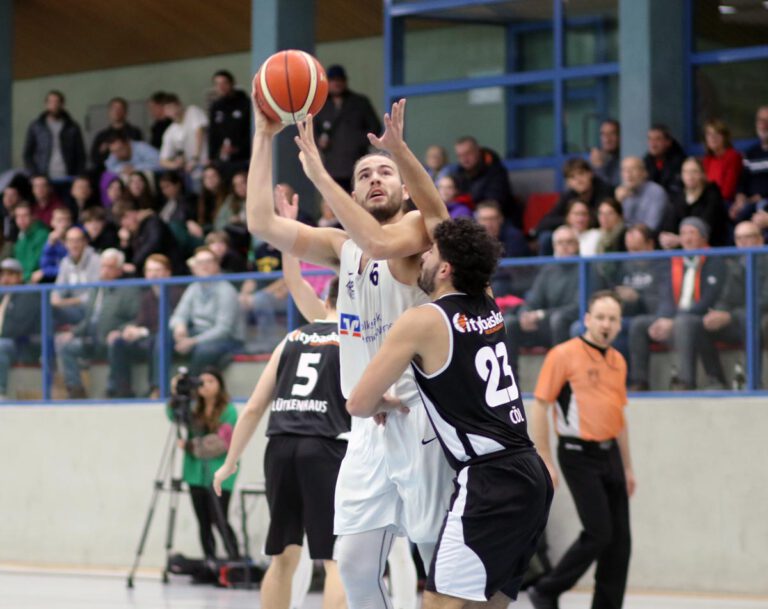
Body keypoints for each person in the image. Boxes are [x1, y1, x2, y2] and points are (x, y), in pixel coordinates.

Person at [247, 97, 452, 609]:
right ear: (355, 190)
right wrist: (263, 136)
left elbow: (381, 242)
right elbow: (261, 223)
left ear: (406, 188)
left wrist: (320, 174)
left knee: (436, 561)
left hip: (419, 419)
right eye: (365, 174)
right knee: (356, 568)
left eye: (386, 171)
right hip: (364, 429)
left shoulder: (413, 233)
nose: (376, 179)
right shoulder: (342, 247)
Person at [346, 218, 553, 608]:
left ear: (445, 269)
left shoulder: (423, 319)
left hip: (490, 479)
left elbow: (357, 403)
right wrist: (401, 153)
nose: (423, 255)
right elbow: (444, 221)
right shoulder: (488, 303)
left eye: (431, 252)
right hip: (531, 474)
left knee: (439, 602)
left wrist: (383, 402)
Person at [214, 265, 349, 609]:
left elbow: (254, 407)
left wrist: (230, 462)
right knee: (335, 558)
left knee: (282, 556)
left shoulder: (291, 339)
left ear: (325, 300)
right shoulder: (352, 341)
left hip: (279, 448)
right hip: (325, 447)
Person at [528, 290, 636, 609]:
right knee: (599, 532)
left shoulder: (618, 360)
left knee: (621, 543)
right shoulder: (563, 355)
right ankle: (546, 589)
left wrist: (628, 467)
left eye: (612, 319)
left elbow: (620, 418)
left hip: (610, 455)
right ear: (587, 320)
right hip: (577, 455)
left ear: (619, 325)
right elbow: (540, 406)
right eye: (600, 317)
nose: (606, 324)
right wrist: (545, 459)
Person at [628, 218, 726, 390]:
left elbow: (709, 299)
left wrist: (674, 320)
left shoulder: (715, 261)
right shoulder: (673, 261)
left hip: (699, 317)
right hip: (674, 317)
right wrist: (663, 318)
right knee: (639, 324)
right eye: (683, 234)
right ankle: (639, 381)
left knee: (684, 323)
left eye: (692, 233)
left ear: (703, 238)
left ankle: (685, 380)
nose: (687, 238)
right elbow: (665, 295)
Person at [170, 367, 240, 564]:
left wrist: (191, 445)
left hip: (220, 472)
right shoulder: (193, 409)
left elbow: (220, 443)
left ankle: (234, 559)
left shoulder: (229, 411)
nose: (205, 386)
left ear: (220, 385)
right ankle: (210, 560)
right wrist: (176, 394)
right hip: (195, 473)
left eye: (211, 381)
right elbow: (172, 415)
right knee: (203, 521)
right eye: (202, 382)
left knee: (220, 518)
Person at [55, 248, 140, 399]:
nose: (104, 270)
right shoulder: (96, 289)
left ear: (119, 270)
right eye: (103, 266)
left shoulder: (128, 290)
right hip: (92, 339)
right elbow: (89, 319)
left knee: (116, 344)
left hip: (114, 340)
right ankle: (76, 389)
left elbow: (136, 318)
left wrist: (120, 331)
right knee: (67, 347)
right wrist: (73, 332)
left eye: (110, 267)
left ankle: (113, 389)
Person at [699, 221, 768, 388]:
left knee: (749, 321)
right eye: (739, 238)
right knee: (699, 326)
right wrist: (718, 313)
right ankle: (716, 380)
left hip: (761, 317)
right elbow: (726, 296)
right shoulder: (733, 264)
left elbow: (764, 299)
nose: (743, 242)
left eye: (748, 237)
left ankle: (753, 381)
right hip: (737, 318)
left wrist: (730, 315)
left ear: (760, 240)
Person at [504, 225, 581, 371]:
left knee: (558, 319)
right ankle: (511, 381)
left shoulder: (585, 269)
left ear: (577, 245)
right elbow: (533, 300)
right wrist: (525, 315)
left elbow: (578, 307)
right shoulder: (548, 270)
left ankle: (561, 378)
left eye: (569, 242)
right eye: (560, 243)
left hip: (566, 325)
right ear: (554, 246)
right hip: (545, 325)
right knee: (510, 323)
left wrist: (540, 315)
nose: (564, 247)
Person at [107, 254, 182, 398]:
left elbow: (170, 324)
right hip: (149, 339)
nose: (153, 274)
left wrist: (142, 331)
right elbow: (141, 321)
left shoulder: (177, 293)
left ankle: (158, 388)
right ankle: (122, 390)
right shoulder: (146, 295)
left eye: (158, 270)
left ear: (168, 272)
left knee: (160, 339)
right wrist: (127, 330)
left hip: (168, 340)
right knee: (119, 343)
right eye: (150, 270)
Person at [168, 247, 244, 375]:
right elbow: (178, 315)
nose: (204, 266)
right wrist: (179, 327)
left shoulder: (226, 290)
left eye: (208, 262)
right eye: (200, 263)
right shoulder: (193, 288)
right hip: (199, 332)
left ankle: (192, 389)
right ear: (194, 267)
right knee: (163, 338)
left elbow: (223, 330)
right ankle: (158, 387)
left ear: (216, 265)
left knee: (204, 350)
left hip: (228, 339)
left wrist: (193, 341)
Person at [314, 64, 382, 193]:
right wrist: (319, 142)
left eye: (340, 80)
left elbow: (375, 127)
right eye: (333, 80)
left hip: (358, 163)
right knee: (336, 202)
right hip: (333, 166)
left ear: (345, 81)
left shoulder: (360, 102)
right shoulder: (320, 105)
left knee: (361, 198)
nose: (337, 83)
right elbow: (312, 131)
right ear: (327, 83)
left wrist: (357, 142)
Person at [660, 156, 729, 249]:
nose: (690, 176)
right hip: (683, 249)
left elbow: (706, 227)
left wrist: (680, 240)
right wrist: (665, 237)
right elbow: (670, 225)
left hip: (712, 248)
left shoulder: (712, 193)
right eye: (686, 172)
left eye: (694, 171)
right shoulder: (678, 197)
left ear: (702, 174)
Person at [0, 258, 42, 400]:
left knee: (1, 345)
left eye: (10, 275)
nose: (5, 279)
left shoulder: (27, 295)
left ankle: (1, 391)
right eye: (3, 275)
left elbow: (18, 328)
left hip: (23, 346)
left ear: (19, 277)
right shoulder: (2, 296)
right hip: (7, 343)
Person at [452, 136, 518, 225]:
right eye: (460, 155)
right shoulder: (458, 173)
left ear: (477, 151)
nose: (464, 159)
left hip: (499, 220)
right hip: (469, 219)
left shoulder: (495, 170)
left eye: (468, 153)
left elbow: (495, 201)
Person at [22, 90, 86, 178]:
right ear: (46, 104)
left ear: (62, 104)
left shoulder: (72, 127)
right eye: (51, 102)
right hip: (43, 177)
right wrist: (35, 174)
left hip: (68, 175)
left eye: (57, 102)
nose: (54, 105)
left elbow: (80, 154)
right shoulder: (36, 126)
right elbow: (27, 154)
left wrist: (79, 175)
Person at [51, 226, 101, 325]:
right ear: (65, 244)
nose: (74, 245)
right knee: (45, 309)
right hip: (71, 308)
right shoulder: (65, 262)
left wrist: (66, 302)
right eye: (70, 241)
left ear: (85, 242)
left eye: (77, 241)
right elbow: (59, 288)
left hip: (91, 309)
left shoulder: (96, 260)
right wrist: (54, 298)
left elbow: (94, 293)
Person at [731, 105, 768, 223]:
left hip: (763, 202)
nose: (763, 125)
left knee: (761, 208)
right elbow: (743, 180)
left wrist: (760, 196)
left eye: (767, 121)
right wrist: (740, 196)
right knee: (735, 213)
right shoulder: (751, 153)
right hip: (751, 202)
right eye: (760, 120)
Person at [208, 69, 251, 170]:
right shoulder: (215, 106)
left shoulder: (246, 104)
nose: (221, 87)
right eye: (217, 84)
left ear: (232, 83)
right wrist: (212, 156)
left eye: (224, 83)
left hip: (244, 158)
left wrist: (238, 148)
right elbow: (212, 133)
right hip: (222, 159)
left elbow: (250, 131)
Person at [615, 156, 670, 233]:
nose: (628, 174)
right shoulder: (622, 193)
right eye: (624, 170)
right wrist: (618, 203)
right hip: (628, 238)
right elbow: (614, 227)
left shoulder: (655, 192)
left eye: (633, 169)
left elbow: (650, 228)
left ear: (644, 173)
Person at [89, 97, 144, 170]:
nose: (116, 112)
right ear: (109, 112)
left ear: (126, 112)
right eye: (113, 109)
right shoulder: (102, 136)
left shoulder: (134, 132)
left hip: (132, 170)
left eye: (120, 109)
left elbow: (141, 154)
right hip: (108, 171)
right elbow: (94, 159)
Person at [159, 94, 209, 174]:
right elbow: (163, 160)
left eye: (172, 107)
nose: (171, 111)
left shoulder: (192, 111)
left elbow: (199, 132)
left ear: (179, 105)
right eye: (167, 109)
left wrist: (195, 158)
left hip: (205, 162)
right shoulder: (170, 132)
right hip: (189, 170)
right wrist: (176, 165)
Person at [702, 118, 742, 203]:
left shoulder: (733, 156)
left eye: (717, 133)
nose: (713, 137)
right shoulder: (707, 159)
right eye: (709, 134)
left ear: (725, 137)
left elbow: (727, 192)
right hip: (708, 201)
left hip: (724, 203)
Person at [32, 206, 73, 283]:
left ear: (70, 223)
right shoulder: (50, 241)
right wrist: (50, 244)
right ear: (52, 222)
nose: (63, 224)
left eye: (66, 220)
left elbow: (72, 268)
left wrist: (46, 271)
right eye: (59, 220)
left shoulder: (76, 239)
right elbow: (44, 265)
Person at [643, 124, 685, 195]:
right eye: (650, 139)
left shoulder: (680, 162)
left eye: (658, 139)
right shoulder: (645, 162)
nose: (653, 144)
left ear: (668, 142)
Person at [12, 201, 49, 282]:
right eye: (18, 216)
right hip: (23, 281)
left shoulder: (42, 235)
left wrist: (21, 277)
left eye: (25, 216)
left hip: (39, 283)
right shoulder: (20, 240)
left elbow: (34, 265)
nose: (21, 219)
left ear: (32, 216)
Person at [589, 119, 621, 188]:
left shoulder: (623, 157)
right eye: (603, 134)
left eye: (612, 134)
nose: (607, 139)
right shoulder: (597, 155)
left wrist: (599, 167)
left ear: (620, 136)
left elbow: (610, 189)